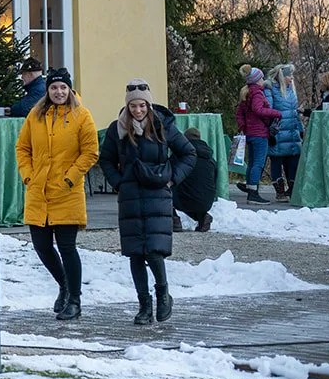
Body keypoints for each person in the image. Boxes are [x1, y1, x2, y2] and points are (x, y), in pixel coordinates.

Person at [98, 82, 195, 325]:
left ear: (148, 105)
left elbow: (188, 154)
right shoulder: (117, 129)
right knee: (135, 254)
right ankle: (144, 305)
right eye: (133, 106)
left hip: (157, 195)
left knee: (153, 250)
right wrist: (119, 182)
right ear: (127, 106)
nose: (138, 110)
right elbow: (106, 160)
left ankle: (163, 293)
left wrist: (172, 178)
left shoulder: (163, 127)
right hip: (130, 196)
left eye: (142, 105)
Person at [13, 66, 96, 321]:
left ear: (69, 89)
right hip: (39, 191)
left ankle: (75, 299)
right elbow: (22, 147)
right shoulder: (36, 116)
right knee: (42, 246)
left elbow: (90, 152)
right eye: (53, 87)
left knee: (67, 247)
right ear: (47, 90)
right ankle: (64, 285)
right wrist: (28, 175)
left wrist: (70, 177)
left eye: (62, 87)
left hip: (66, 192)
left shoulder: (81, 116)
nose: (58, 92)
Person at [233, 66, 281, 204]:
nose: (263, 80)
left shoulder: (246, 93)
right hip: (259, 134)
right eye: (261, 78)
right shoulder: (257, 94)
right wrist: (276, 113)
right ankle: (253, 193)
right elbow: (258, 110)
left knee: (252, 162)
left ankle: (250, 187)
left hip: (250, 133)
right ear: (257, 80)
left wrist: (243, 127)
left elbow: (239, 114)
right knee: (258, 163)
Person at [267, 64, 303, 201]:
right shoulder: (271, 90)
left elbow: (295, 113)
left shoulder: (291, 91)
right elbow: (268, 111)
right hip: (278, 132)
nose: (292, 78)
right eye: (289, 75)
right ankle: (280, 191)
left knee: (293, 161)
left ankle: (292, 189)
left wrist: (300, 129)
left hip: (292, 132)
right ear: (282, 77)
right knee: (276, 161)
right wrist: (271, 132)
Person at [176, 126, 219, 232]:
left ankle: (174, 219)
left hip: (184, 199)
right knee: (195, 198)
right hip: (206, 201)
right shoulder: (211, 159)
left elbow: (170, 175)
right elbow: (215, 180)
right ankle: (203, 217)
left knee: (164, 191)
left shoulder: (180, 155)